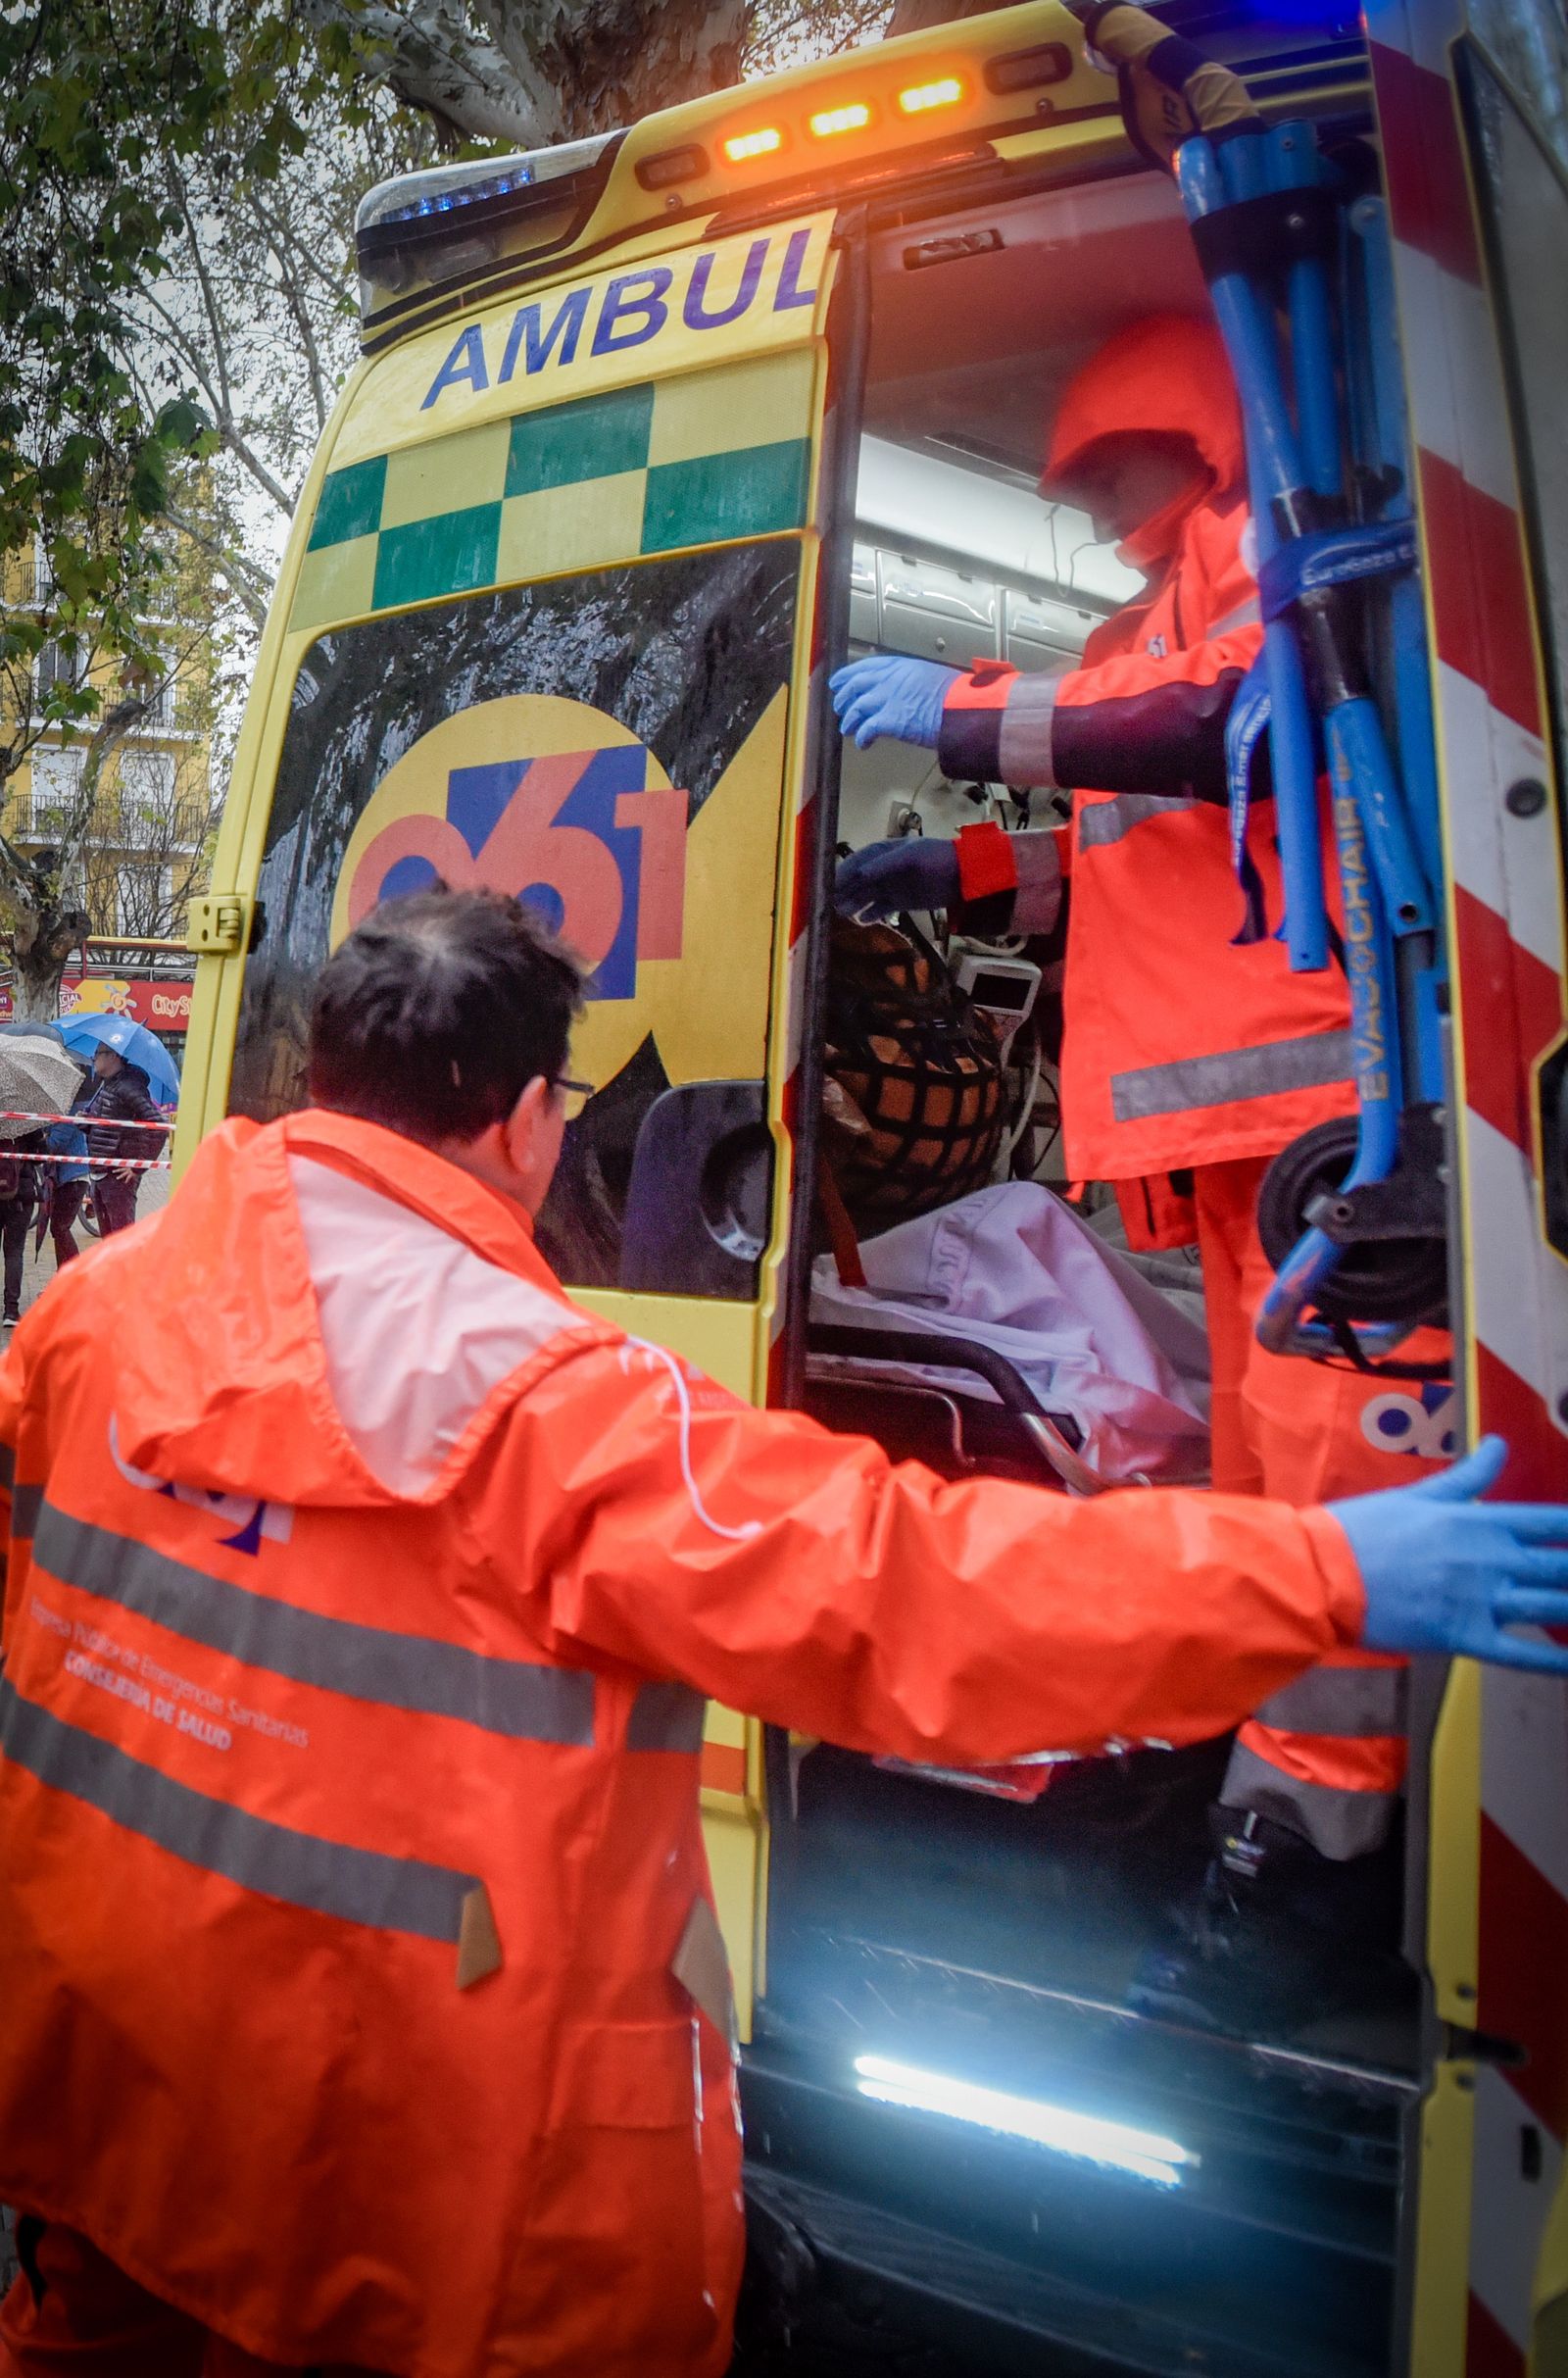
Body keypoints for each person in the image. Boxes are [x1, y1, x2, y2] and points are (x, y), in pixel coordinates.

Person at [2, 885, 1563, 2378]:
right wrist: (1316, 1569)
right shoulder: (556, 1408)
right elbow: (917, 1593)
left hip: (110, 2073)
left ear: (329, 1071)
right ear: (532, 1118)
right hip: (394, 2176)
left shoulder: (99, 1306)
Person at [830, 314, 1449, 2031]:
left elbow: (1200, 722)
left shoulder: (1264, 559)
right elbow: (1133, 852)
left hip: (1324, 1132)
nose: (1102, 508)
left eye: (1115, 473)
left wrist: (960, 715)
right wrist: (949, 865)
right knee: (1267, 1512)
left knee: (1325, 1514)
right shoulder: (1139, 622)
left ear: (1191, 431)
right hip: (1252, 1154)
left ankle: (1311, 1881)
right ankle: (1246, 1820)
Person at [75, 1041, 170, 1234]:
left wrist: (137, 1167)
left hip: (116, 1176)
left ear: (113, 1056)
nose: (94, 1058)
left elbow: (158, 1125)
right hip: (100, 1172)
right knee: (109, 1240)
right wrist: (85, 1123)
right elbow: (107, 1127)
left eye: (98, 1053)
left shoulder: (129, 1086)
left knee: (121, 1237)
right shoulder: (107, 1085)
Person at [0, 1133, 43, 1331]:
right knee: (14, 1252)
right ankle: (11, 1310)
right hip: (20, 1194)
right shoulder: (27, 1124)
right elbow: (41, 1156)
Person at [39, 1117, 90, 1268]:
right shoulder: (59, 1115)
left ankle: (76, 1276)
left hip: (73, 1178)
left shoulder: (68, 1115)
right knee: (58, 1229)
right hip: (63, 1178)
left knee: (60, 1227)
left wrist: (41, 1137)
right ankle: (63, 1279)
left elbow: (54, 1144)